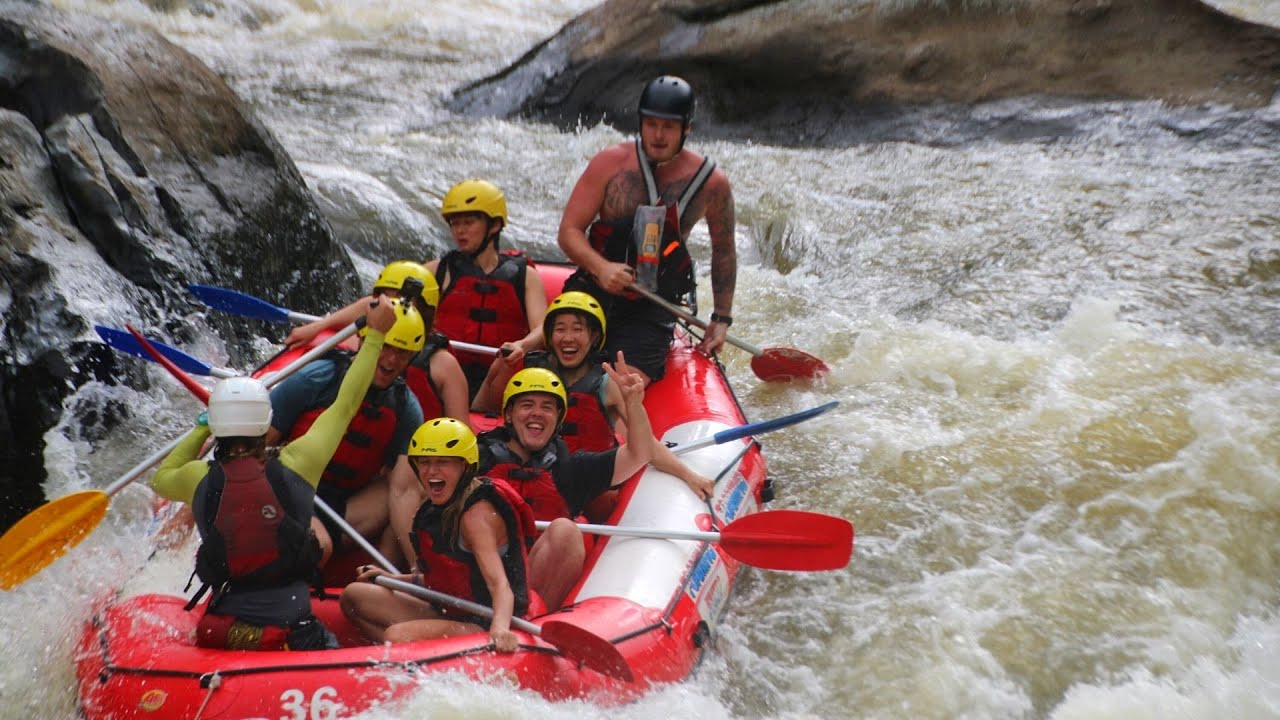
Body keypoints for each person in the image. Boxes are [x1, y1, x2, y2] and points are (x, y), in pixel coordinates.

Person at [149, 298, 397, 651]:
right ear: (266, 420)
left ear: (219, 424)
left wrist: (201, 429)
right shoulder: (300, 462)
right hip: (292, 635)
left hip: (221, 634)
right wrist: (374, 337)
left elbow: (162, 477)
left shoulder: (197, 476)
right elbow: (346, 405)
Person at [558, 75, 737, 385]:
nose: (658, 135)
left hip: (651, 307)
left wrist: (721, 319)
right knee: (554, 377)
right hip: (593, 288)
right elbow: (569, 231)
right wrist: (602, 268)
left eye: (668, 126)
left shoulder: (712, 183)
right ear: (640, 123)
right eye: (651, 124)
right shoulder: (610, 163)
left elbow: (723, 251)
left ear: (687, 128)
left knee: (619, 387)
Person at [473, 291, 714, 518]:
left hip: (591, 480)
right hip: (538, 475)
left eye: (578, 330)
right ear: (549, 335)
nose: (568, 338)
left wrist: (688, 475)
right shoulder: (529, 374)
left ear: (594, 337)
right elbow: (484, 412)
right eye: (560, 329)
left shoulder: (606, 383)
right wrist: (500, 368)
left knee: (607, 501)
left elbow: (645, 444)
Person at [339, 418, 540, 650]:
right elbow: (447, 581)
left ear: (465, 466)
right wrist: (394, 579)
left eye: (443, 462)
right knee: (353, 597)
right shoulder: (441, 508)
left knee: (396, 635)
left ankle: (408, 659)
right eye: (424, 462)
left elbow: (499, 585)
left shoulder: (476, 516)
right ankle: (406, 659)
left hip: (484, 619)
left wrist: (500, 629)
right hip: (452, 610)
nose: (431, 471)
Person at [476, 363, 654, 610]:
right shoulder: (475, 459)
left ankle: (525, 622)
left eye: (547, 407)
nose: (537, 413)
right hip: (477, 580)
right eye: (527, 405)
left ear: (558, 419)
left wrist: (633, 404)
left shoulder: (570, 469)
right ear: (508, 415)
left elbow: (640, 453)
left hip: (530, 592)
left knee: (566, 532)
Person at [266, 298, 428, 565]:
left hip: (343, 504)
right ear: (364, 342)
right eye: (386, 346)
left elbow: (404, 491)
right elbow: (253, 446)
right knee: (319, 546)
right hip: (288, 488)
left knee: (410, 490)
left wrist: (418, 565)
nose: (391, 360)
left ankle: (385, 583)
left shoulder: (406, 407)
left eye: (402, 352)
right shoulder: (317, 378)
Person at [283, 261, 470, 423]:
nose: (389, 309)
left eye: (398, 301)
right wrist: (320, 326)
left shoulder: (443, 365)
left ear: (425, 311)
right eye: (386, 301)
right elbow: (369, 305)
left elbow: (461, 437)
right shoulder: (363, 336)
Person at [430, 179, 548, 397]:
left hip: (498, 376)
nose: (460, 231)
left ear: (494, 226)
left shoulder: (525, 276)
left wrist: (521, 345)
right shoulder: (438, 270)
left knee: (503, 369)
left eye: (468, 222)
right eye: (455, 223)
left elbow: (542, 328)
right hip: (447, 373)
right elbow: (388, 297)